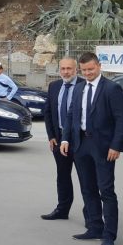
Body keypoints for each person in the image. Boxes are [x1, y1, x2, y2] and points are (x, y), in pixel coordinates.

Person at [61, 52, 123, 245]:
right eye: (84, 70)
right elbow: (71, 115)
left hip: (104, 148)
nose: (88, 73)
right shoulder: (80, 87)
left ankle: (109, 236)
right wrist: (66, 138)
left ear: (99, 66)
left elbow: (121, 119)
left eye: (91, 69)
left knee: (106, 191)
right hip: (81, 145)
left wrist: (116, 146)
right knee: (87, 189)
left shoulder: (112, 88)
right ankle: (94, 227)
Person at [42, 57, 81, 221]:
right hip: (58, 140)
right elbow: (48, 113)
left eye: (69, 69)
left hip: (80, 141)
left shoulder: (84, 86)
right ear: (59, 70)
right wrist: (51, 136)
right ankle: (62, 210)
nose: (66, 72)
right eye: (63, 68)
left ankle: (92, 217)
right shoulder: (54, 86)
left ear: (76, 70)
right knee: (63, 176)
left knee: (86, 180)